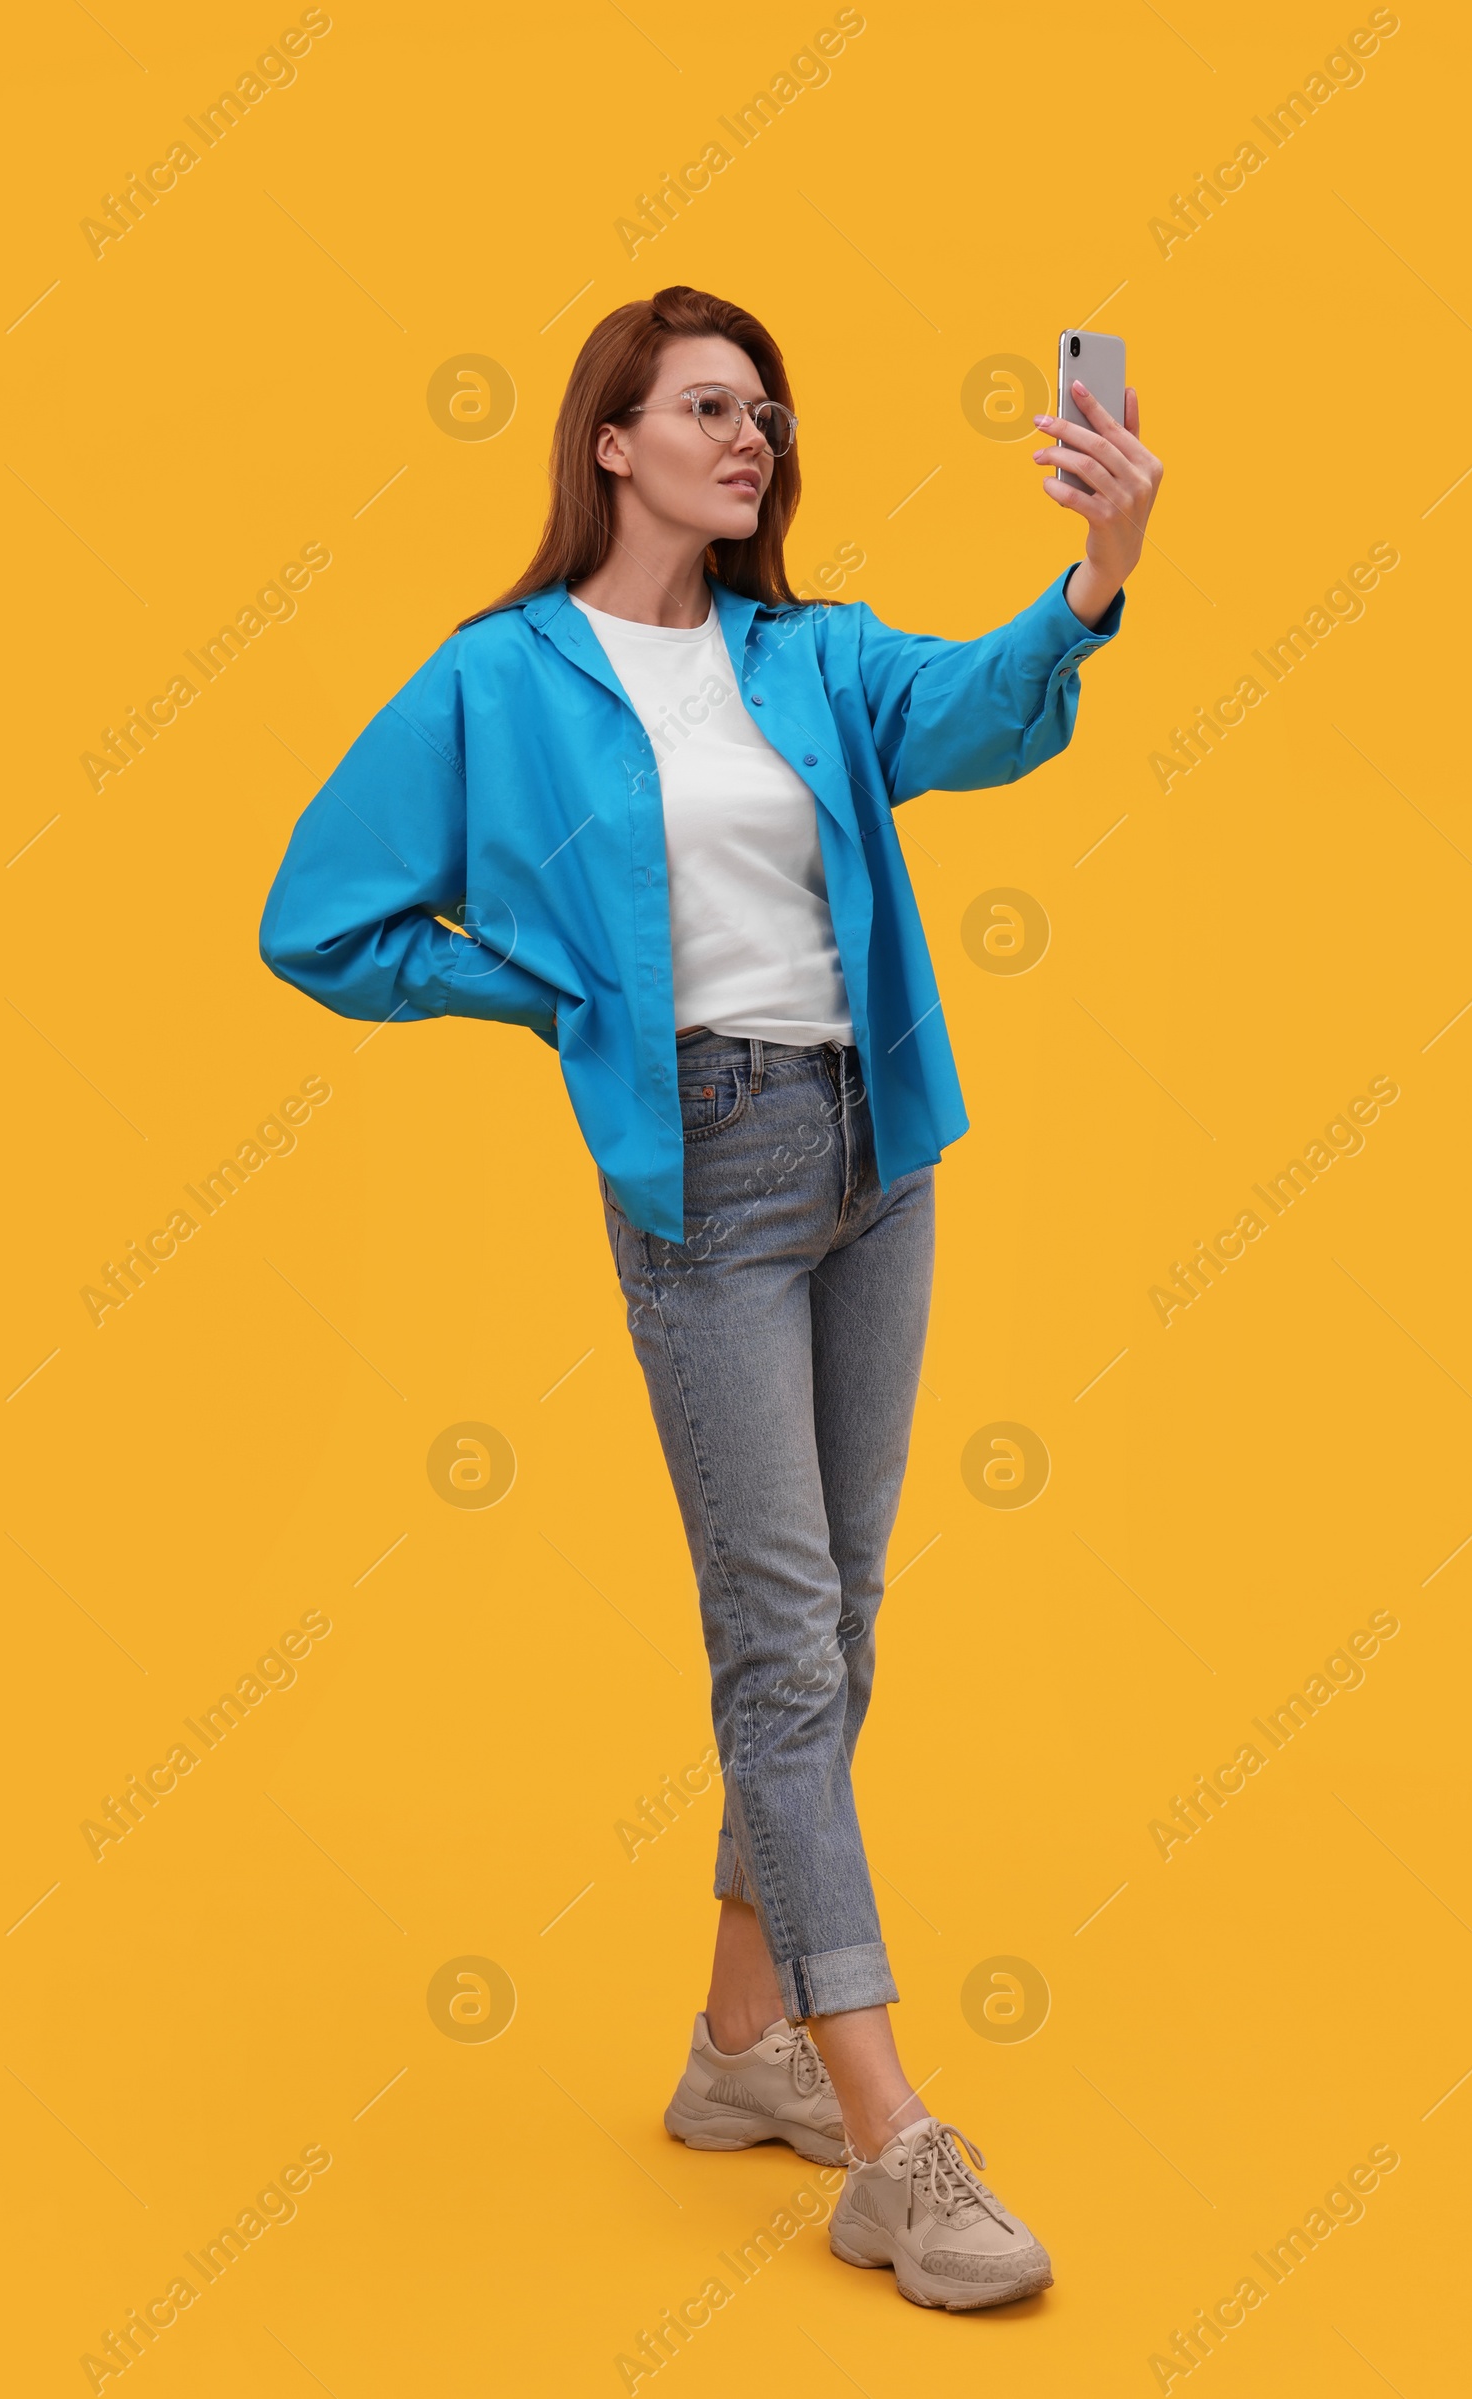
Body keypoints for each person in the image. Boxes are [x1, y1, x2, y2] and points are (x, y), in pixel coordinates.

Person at [260, 283, 1162, 2312]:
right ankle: (886, 2135)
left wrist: (1096, 573)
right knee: (777, 1640)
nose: (746, 437)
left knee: (832, 1622)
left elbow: (985, 709)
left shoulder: (811, 655)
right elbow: (319, 917)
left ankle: (732, 2049)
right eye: (704, 407)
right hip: (705, 1181)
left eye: (763, 411)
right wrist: (555, 996)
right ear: (609, 442)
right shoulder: (499, 682)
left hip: (874, 1156)